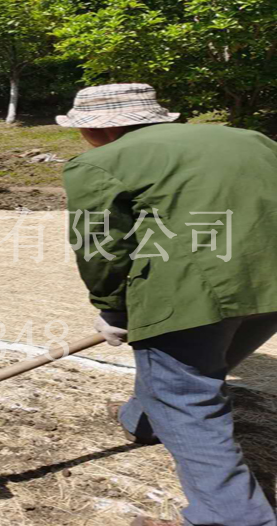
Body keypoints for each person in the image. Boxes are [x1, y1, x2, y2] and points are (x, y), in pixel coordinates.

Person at [60, 83, 277, 526]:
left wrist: (113, 310)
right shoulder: (250, 139)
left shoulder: (99, 163)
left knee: (187, 398)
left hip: (193, 294)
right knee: (182, 371)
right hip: (269, 286)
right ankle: (142, 422)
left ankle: (235, 519)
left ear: (103, 128)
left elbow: (99, 246)